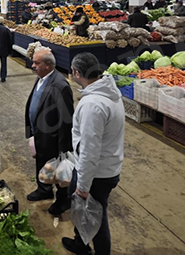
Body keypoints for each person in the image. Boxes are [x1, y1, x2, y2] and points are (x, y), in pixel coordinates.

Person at [62, 53, 125, 255]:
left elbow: (90, 149)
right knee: (85, 211)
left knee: (97, 217)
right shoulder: (109, 93)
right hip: (107, 165)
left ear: (76, 73)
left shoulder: (92, 105)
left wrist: (83, 186)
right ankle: (80, 243)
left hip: (97, 173)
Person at [25, 48, 75, 215]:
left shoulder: (60, 85)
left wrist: (63, 147)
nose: (32, 66)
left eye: (36, 63)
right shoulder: (41, 78)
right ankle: (44, 190)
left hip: (53, 138)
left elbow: (66, 119)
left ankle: (63, 200)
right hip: (40, 134)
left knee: (59, 170)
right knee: (42, 163)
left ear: (47, 65)